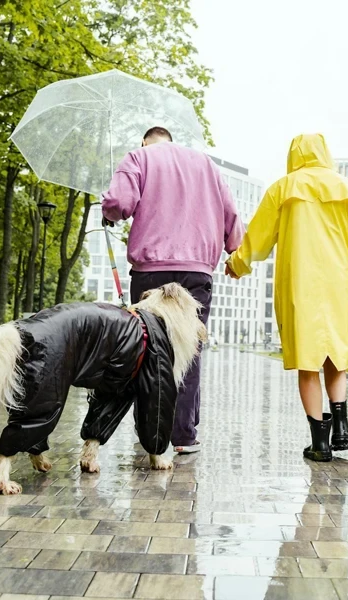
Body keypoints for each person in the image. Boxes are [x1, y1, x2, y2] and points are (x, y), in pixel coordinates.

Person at [225, 133, 348, 462]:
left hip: (300, 283)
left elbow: (258, 237)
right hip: (340, 285)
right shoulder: (345, 188)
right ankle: (341, 427)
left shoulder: (283, 189)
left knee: (308, 363)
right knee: (336, 357)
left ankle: (319, 443)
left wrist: (237, 264)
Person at [102, 126, 242, 454]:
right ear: (170, 140)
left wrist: (109, 211)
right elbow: (231, 217)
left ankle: (151, 433)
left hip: (152, 273)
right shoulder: (206, 164)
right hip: (196, 272)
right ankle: (183, 435)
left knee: (146, 350)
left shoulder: (138, 157)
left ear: (145, 141)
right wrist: (233, 249)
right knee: (188, 350)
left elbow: (119, 203)